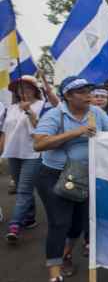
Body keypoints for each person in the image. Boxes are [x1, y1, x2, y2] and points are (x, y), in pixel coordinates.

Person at [33, 76, 108, 282]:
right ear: (68, 96)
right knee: (60, 223)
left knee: (78, 225)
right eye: (81, 91)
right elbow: (38, 143)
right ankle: (54, 279)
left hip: (83, 177)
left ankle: (66, 253)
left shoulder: (97, 113)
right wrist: (77, 132)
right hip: (54, 177)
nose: (88, 94)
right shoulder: (55, 115)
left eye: (89, 89)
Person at [2, 75, 52, 243]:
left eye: (28, 88)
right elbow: (5, 131)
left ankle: (14, 226)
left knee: (23, 190)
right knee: (22, 187)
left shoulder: (42, 106)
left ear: (34, 90)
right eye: (20, 89)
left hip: (33, 153)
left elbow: (41, 129)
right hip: (13, 153)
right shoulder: (10, 108)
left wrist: (29, 111)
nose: (24, 92)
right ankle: (29, 218)